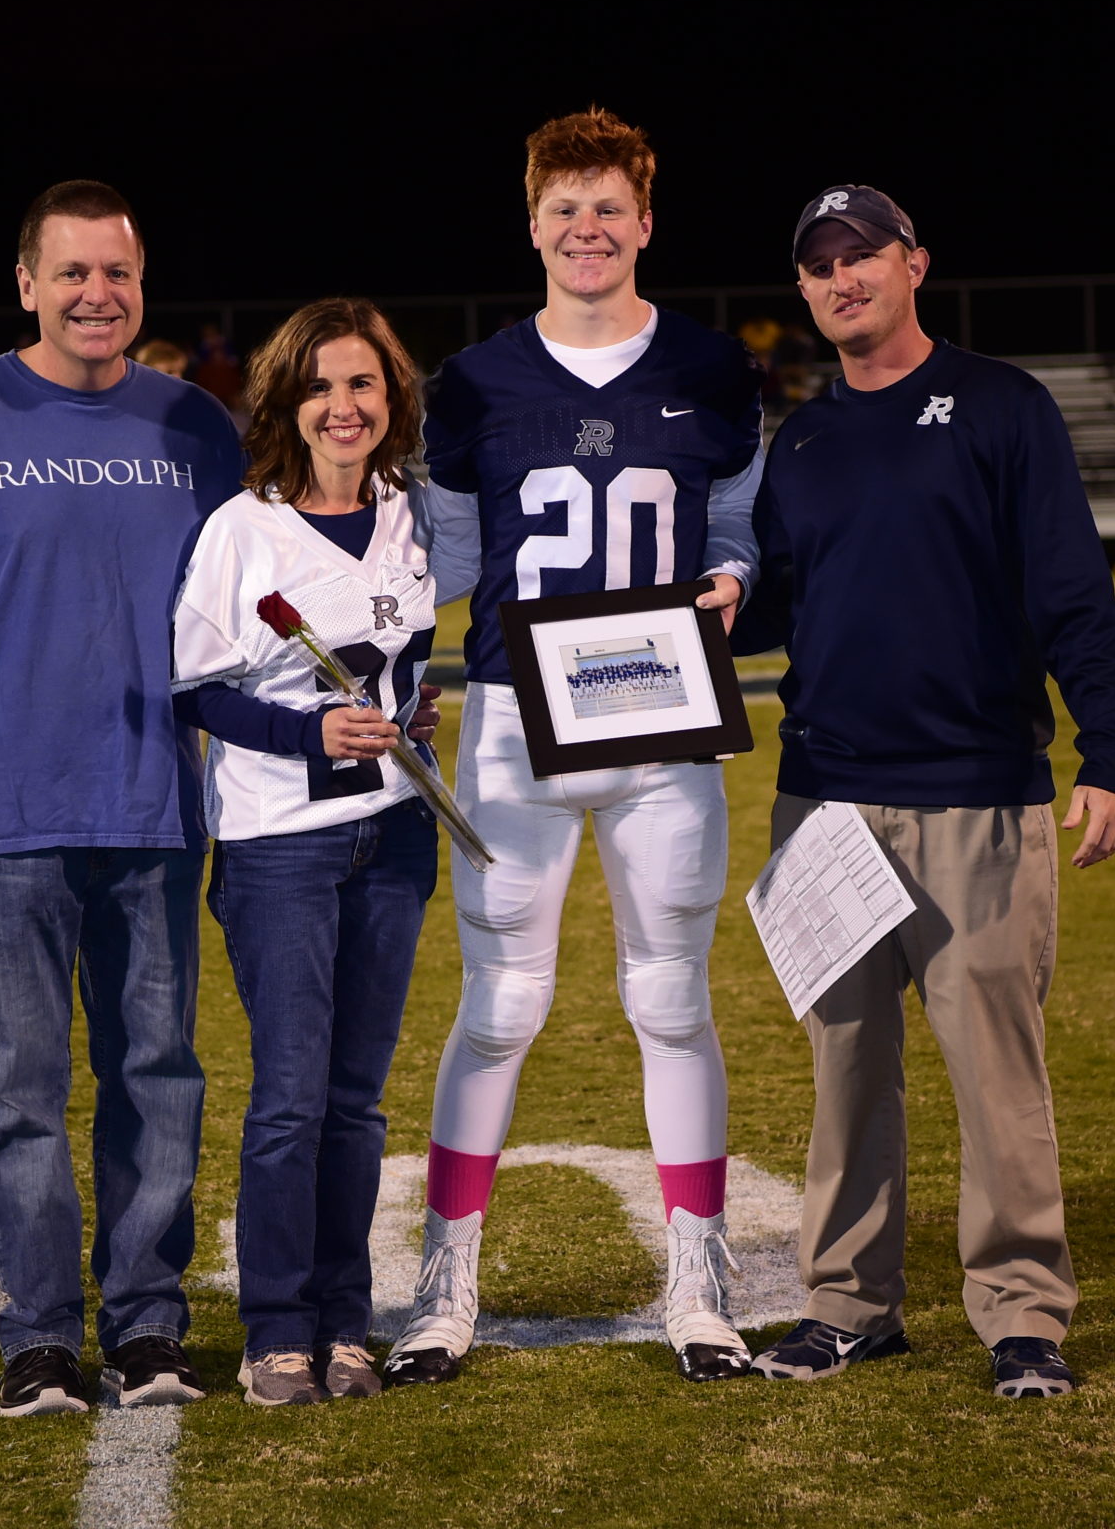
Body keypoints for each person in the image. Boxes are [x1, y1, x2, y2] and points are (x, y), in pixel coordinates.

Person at [734, 184, 1115, 1401]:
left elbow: (1070, 585)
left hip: (977, 795)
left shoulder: (1002, 404)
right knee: (846, 1074)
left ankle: (1022, 1316)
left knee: (996, 1078)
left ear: (914, 264)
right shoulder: (801, 441)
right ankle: (847, 1307)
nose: (840, 278)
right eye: (819, 264)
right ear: (801, 290)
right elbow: (776, 605)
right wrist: (696, 614)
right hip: (824, 804)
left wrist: (1107, 754)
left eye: (861, 254)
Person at [391, 106, 765, 1388]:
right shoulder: (472, 382)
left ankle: (699, 1278)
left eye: (608, 207)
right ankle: (445, 1278)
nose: (587, 228)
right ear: (532, 223)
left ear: (645, 222)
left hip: (661, 716)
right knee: (499, 1005)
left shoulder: (714, 367)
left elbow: (736, 522)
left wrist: (731, 576)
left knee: (671, 998)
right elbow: (441, 559)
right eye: (565, 209)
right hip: (514, 719)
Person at [0, 180, 245, 1418]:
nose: (97, 294)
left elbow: (247, 612)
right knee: (17, 1092)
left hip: (153, 806)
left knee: (158, 1078)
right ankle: (37, 1336)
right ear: (26, 283)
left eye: (117, 273)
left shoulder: (195, 424)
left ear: (143, 284)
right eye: (72, 272)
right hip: (1, 813)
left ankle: (147, 1324)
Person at [169, 297, 442, 1408]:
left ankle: (344, 1319)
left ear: (392, 396)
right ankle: (275, 1326)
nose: (343, 405)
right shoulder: (243, 528)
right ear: (285, 401)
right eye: (320, 386)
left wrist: (412, 714)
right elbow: (197, 688)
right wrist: (309, 734)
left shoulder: (411, 512)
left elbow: (405, 658)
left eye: (363, 383)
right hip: (280, 842)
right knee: (290, 1096)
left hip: (394, 832)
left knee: (357, 1100)